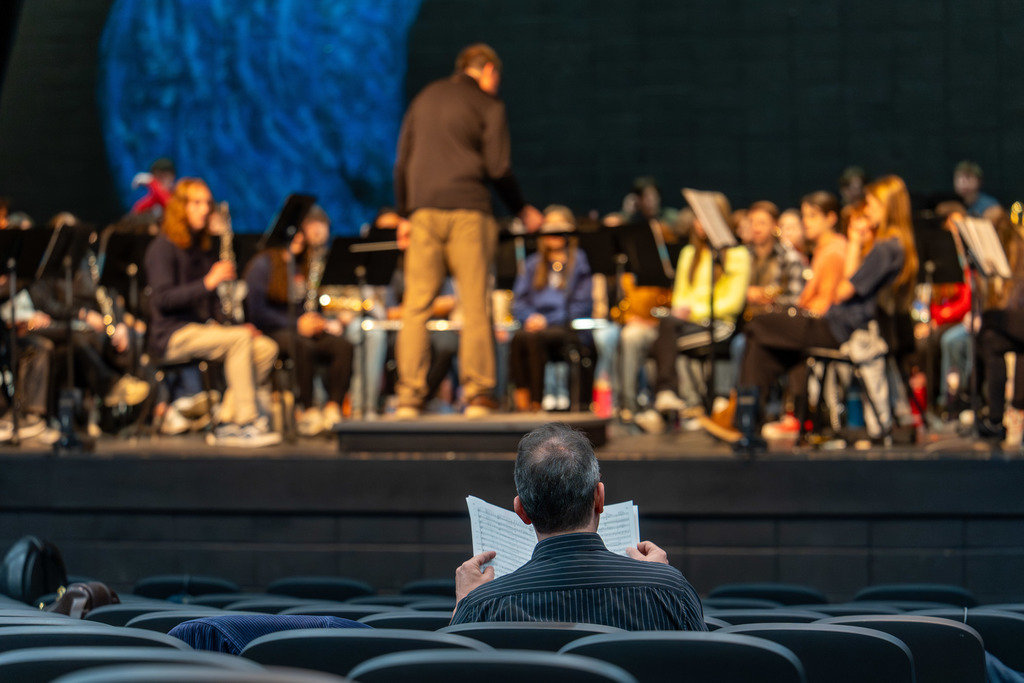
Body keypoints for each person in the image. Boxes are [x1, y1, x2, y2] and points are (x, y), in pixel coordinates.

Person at [703, 175, 918, 447]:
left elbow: (843, 291)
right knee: (762, 343)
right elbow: (851, 280)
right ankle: (746, 425)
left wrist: (851, 246)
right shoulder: (887, 246)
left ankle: (745, 419)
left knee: (758, 324)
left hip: (840, 329)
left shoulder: (887, 248)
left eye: (873, 205)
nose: (867, 211)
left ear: (888, 207)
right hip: (839, 325)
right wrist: (854, 239)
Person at [393, 43, 543, 419]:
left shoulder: (425, 98)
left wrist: (404, 215)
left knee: (416, 308)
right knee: (475, 305)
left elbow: (401, 162)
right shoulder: (489, 106)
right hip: (468, 212)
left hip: (423, 213)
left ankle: (409, 398)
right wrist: (522, 208)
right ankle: (478, 396)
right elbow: (498, 167)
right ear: (488, 70)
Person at [451, 421, 706, 631]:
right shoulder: (671, 591)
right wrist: (660, 580)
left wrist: (464, 605)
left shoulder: (481, 607)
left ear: (522, 511)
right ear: (599, 498)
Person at [144, 178, 280, 446]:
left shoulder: (201, 248)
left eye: (207, 203)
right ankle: (245, 422)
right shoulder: (162, 247)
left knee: (265, 347)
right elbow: (162, 300)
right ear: (180, 207)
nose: (205, 209)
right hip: (171, 334)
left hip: (202, 329)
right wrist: (208, 282)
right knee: (239, 341)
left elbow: (211, 302)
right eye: (196, 203)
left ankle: (227, 421)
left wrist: (229, 324)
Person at [635, 192, 751, 434]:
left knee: (662, 336)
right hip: (687, 324)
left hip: (720, 325)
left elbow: (732, 304)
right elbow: (680, 297)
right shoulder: (690, 254)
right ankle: (677, 402)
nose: (699, 224)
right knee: (660, 331)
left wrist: (692, 311)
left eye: (705, 218)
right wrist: (683, 311)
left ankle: (668, 400)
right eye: (697, 218)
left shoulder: (738, 256)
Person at [245, 205, 353, 436]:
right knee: (300, 346)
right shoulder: (263, 264)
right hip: (274, 329)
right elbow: (257, 312)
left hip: (302, 326)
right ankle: (308, 409)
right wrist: (296, 325)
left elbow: (307, 303)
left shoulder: (303, 265)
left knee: (342, 345)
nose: (297, 238)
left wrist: (317, 321)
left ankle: (333, 407)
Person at [509, 206, 593, 412]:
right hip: (536, 325)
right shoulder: (532, 264)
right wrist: (530, 317)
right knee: (520, 337)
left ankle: (536, 402)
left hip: (565, 327)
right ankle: (524, 400)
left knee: (533, 338)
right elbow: (518, 301)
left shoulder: (579, 261)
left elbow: (581, 304)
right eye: (549, 227)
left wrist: (548, 320)